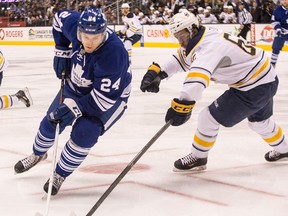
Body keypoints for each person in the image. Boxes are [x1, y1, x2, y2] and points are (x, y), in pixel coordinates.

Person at [140, 9, 288, 172]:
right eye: (177, 38)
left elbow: (197, 79)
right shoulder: (204, 35)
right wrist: (160, 73)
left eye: (181, 37)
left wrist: (183, 104)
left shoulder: (209, 47)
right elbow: (182, 58)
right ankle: (284, 149)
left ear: (192, 29)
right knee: (260, 123)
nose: (180, 43)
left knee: (207, 118)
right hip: (265, 78)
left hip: (254, 86)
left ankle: (198, 156)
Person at [14, 7, 131, 195]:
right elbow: (59, 18)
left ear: (104, 33)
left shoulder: (114, 54)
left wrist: (73, 108)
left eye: (95, 38)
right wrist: (61, 50)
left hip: (109, 99)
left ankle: (60, 173)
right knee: (50, 122)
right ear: (79, 31)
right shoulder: (75, 25)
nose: (89, 42)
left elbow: (103, 100)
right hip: (76, 85)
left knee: (85, 133)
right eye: (85, 37)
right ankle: (38, 154)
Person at [270, 0, 288, 67]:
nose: (284, 1)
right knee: (276, 47)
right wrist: (278, 29)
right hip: (282, 31)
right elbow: (274, 21)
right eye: (283, 0)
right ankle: (272, 63)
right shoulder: (277, 11)